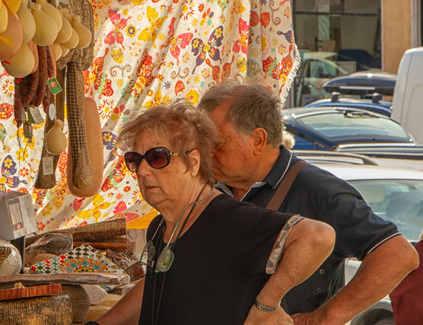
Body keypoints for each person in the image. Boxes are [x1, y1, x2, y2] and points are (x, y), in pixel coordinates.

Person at [90, 100, 335, 325]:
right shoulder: (161, 226)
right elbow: (154, 285)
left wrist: (267, 305)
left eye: (157, 157)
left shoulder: (229, 219)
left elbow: (318, 236)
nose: (142, 171)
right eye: (135, 159)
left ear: (194, 162)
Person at [198, 80, 419, 325]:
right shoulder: (209, 188)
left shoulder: (319, 192)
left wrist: (322, 319)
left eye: (217, 144)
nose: (206, 153)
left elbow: (398, 255)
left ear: (258, 141)